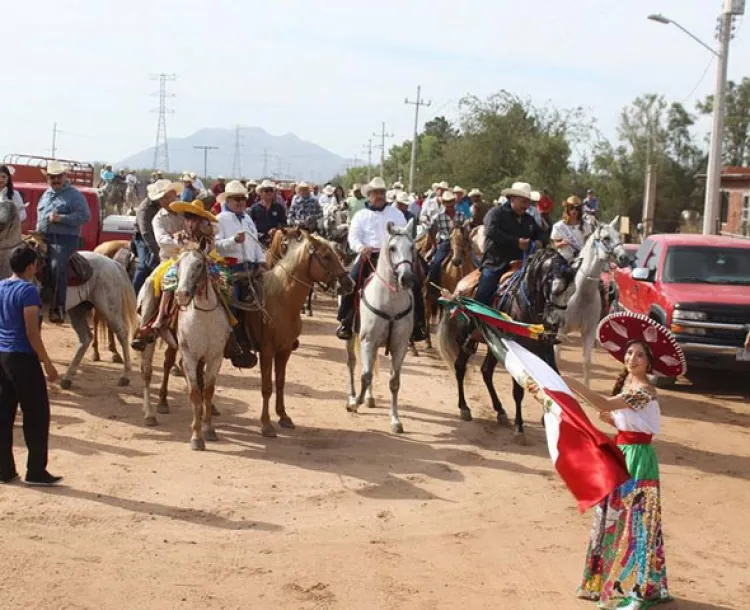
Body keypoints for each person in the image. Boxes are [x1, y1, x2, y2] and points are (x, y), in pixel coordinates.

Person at [564, 311, 684, 609]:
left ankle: (637, 586)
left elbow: (605, 404)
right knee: (612, 517)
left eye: (640, 355)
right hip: (624, 454)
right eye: (629, 353)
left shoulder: (644, 389)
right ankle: (602, 581)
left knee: (635, 521)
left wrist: (571, 383)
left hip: (639, 459)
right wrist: (613, 420)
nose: (632, 358)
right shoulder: (631, 389)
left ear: (649, 363)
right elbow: (622, 418)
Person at [337, 177, 427, 341]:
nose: (379, 196)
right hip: (369, 256)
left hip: (395, 257)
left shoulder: (396, 213)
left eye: (381, 192)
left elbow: (404, 234)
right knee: (351, 281)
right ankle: (346, 320)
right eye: (375, 193)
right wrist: (360, 248)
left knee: (415, 284)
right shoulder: (361, 215)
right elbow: (353, 237)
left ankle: (419, 325)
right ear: (369, 196)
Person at [0, 244, 62, 486]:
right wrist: (47, 363)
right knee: (36, 415)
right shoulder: (28, 291)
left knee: (4, 414)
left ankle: (4, 469)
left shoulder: (2, 286)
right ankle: (36, 470)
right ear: (30, 267)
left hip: (2, 355)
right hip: (23, 357)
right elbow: (31, 332)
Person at [215, 180, 268, 369]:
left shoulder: (247, 219)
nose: (240, 202)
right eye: (236, 199)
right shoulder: (220, 219)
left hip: (252, 268)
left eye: (243, 199)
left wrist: (262, 261)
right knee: (232, 303)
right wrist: (233, 241)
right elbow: (216, 245)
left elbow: (255, 244)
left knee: (269, 299)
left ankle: (264, 339)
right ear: (227, 200)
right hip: (230, 268)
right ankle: (232, 343)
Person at [36, 161, 91, 323]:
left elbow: (85, 216)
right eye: (52, 177)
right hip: (42, 236)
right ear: (48, 178)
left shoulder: (74, 195)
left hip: (65, 240)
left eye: (58, 177)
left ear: (65, 177)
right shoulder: (46, 194)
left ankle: (57, 308)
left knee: (56, 265)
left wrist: (61, 218)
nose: (55, 180)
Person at [475, 182, 547, 305]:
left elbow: (541, 233)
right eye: (523, 202)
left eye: (528, 202)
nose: (527, 206)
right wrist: (516, 242)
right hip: (496, 263)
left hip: (523, 264)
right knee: (484, 293)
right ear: (513, 199)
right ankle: (475, 320)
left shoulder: (528, 219)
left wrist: (540, 242)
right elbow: (491, 232)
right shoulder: (495, 213)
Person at [133, 180, 182, 296]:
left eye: (171, 197)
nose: (169, 200)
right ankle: (135, 296)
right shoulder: (145, 210)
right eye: (165, 197)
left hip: (170, 240)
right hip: (145, 238)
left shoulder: (179, 209)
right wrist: (157, 251)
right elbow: (145, 233)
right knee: (144, 265)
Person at [424, 190, 468, 292]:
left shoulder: (461, 215)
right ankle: (433, 289)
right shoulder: (438, 216)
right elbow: (431, 229)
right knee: (436, 263)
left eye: (451, 202)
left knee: (476, 261)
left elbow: (466, 229)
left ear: (454, 202)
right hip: (445, 242)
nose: (450, 205)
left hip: (460, 242)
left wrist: (464, 236)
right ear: (443, 203)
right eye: (447, 202)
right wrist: (434, 245)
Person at [249, 179, 288, 246]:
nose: (269, 192)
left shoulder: (279, 207)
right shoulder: (254, 208)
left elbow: (284, 223)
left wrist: (276, 230)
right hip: (259, 241)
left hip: (276, 241)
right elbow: (249, 225)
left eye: (271, 190)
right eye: (266, 190)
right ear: (261, 193)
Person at [551, 196, 587, 262]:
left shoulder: (585, 225)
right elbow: (555, 245)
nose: (574, 211)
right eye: (571, 208)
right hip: (563, 260)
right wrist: (562, 243)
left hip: (581, 259)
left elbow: (589, 242)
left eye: (577, 209)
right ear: (567, 209)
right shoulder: (558, 226)